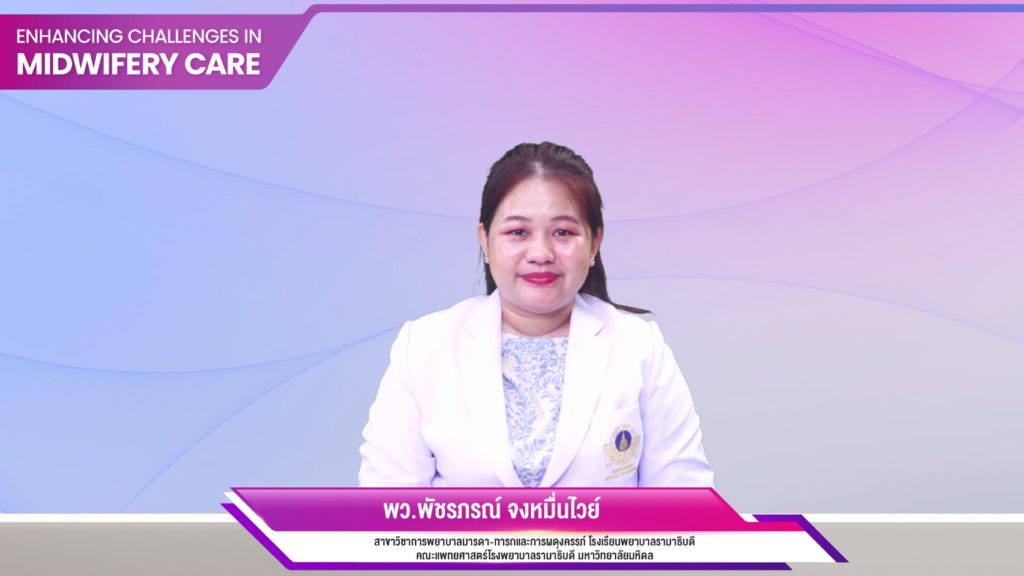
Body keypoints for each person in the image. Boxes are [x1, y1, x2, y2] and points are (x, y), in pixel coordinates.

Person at [358, 142, 713, 488]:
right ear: (485, 240)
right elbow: (386, 505)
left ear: (594, 242)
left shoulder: (639, 346)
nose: (541, 253)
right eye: (518, 232)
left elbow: (685, 502)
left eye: (563, 232)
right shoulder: (424, 346)